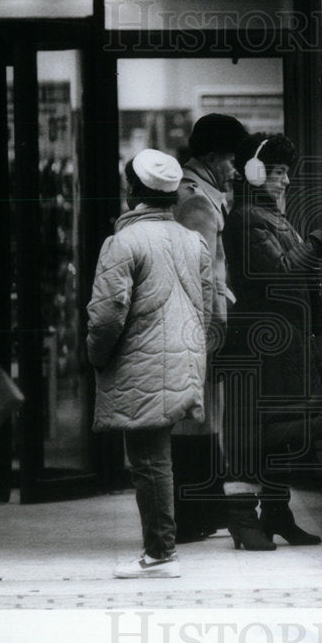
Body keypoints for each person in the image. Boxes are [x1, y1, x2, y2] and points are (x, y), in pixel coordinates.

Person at [87, 149, 213, 578]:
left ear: (133, 192)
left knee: (149, 460)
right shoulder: (192, 240)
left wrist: (96, 356)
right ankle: (161, 549)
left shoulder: (123, 242)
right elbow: (207, 307)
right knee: (155, 457)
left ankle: (161, 553)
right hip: (182, 355)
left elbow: (106, 314)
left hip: (140, 361)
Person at [220, 132, 322, 550]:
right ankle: (243, 520)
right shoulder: (245, 219)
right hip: (262, 347)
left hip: (279, 345)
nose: (286, 181)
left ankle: (276, 514)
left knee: (280, 431)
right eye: (277, 172)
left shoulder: (268, 215)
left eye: (286, 173)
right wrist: (319, 240)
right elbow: (280, 273)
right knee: (256, 433)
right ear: (255, 173)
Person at [171, 113, 249, 542]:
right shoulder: (198, 201)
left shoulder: (202, 191)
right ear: (216, 156)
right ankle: (195, 515)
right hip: (200, 327)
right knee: (195, 419)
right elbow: (200, 275)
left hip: (200, 326)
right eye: (233, 159)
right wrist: (212, 332)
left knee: (202, 419)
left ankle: (206, 509)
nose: (236, 168)